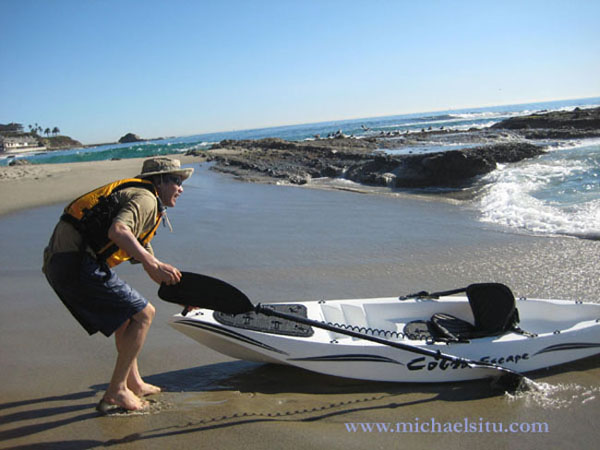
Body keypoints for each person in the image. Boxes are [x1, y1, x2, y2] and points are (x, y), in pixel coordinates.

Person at [43, 156, 193, 412]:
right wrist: (151, 262)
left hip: (62, 262)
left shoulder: (142, 198)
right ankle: (117, 391)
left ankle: (134, 383)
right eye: (176, 181)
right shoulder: (146, 199)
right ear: (159, 181)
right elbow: (119, 231)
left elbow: (145, 257)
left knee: (126, 319)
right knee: (144, 314)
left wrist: (176, 292)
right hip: (74, 262)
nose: (181, 188)